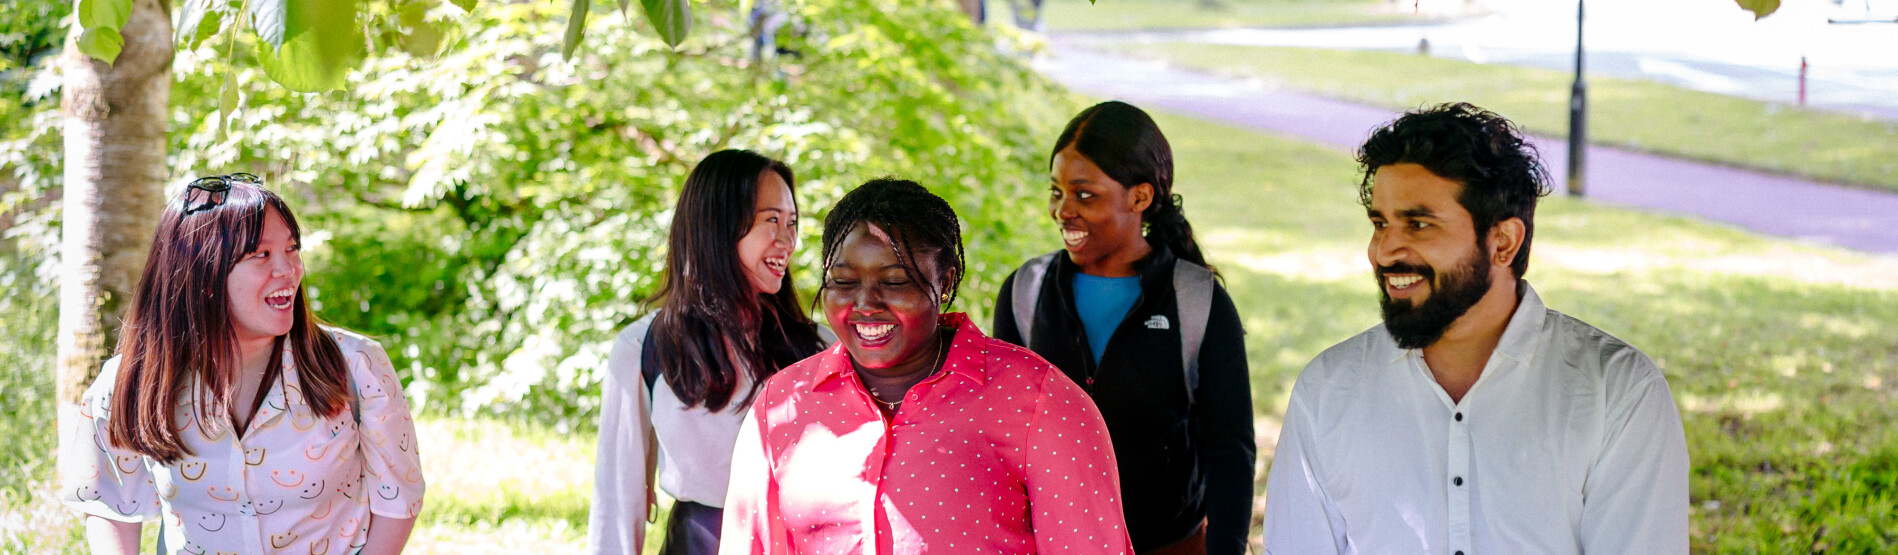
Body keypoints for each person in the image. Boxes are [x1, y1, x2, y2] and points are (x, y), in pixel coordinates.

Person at [1262, 103, 1690, 554]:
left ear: (1503, 242)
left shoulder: (1617, 394)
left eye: (1418, 224)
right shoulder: (1328, 391)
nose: (1384, 251)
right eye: (1380, 223)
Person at [720, 179, 1134, 554]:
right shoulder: (783, 405)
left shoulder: (1041, 403)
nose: (865, 304)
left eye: (895, 282)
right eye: (844, 282)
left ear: (947, 283)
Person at [59, 174, 424, 555]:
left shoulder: (356, 366)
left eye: (292, 249)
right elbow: (109, 505)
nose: (289, 270)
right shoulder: (130, 382)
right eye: (261, 255)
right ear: (202, 273)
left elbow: (398, 499)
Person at [991, 101, 1255, 555]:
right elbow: (1001, 438)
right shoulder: (1025, 293)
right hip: (1053, 546)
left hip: (1171, 546)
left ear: (1141, 197)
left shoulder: (1197, 301)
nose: (1062, 211)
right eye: (1057, 192)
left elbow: (1230, 452)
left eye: (1084, 195)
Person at [587, 150, 829, 554]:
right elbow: (616, 499)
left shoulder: (820, 349)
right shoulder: (645, 348)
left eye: (792, 223)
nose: (788, 242)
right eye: (771, 221)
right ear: (719, 227)